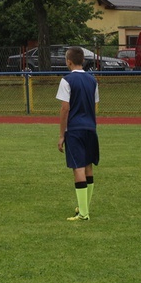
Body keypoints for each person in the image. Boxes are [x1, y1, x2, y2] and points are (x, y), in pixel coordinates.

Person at [56, 46, 99, 222]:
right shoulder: (93, 80)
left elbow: (65, 108)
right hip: (90, 128)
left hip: (74, 129)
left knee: (78, 168)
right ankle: (84, 207)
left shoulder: (66, 80)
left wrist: (61, 135)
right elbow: (95, 105)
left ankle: (83, 214)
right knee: (88, 166)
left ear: (69, 61)